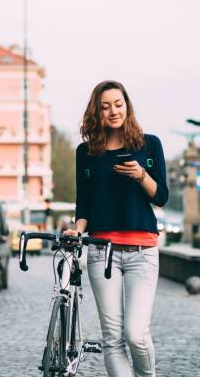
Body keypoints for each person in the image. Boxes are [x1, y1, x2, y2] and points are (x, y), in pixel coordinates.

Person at [63, 80, 169, 377]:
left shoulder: (150, 144)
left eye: (118, 104)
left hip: (142, 251)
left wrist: (141, 175)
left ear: (127, 106)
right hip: (102, 251)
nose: (113, 111)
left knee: (136, 334)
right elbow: (83, 203)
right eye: (105, 106)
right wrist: (78, 230)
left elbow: (161, 197)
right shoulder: (86, 152)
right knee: (112, 338)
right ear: (97, 111)